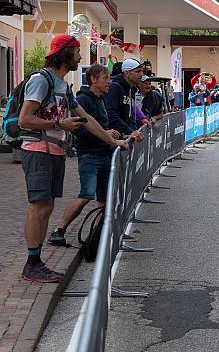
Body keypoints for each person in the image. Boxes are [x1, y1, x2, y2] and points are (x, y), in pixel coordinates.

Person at [18, 35, 128, 282]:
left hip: (54, 151)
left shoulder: (63, 86)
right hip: (37, 150)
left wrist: (112, 141)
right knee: (39, 206)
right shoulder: (40, 80)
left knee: (46, 206)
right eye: (78, 51)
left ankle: (36, 261)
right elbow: (25, 119)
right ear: (65, 53)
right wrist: (59, 123)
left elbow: (85, 118)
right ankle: (32, 263)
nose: (81, 57)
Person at [48, 64, 128, 246]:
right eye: (105, 78)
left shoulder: (101, 100)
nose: (109, 82)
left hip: (106, 155)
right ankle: (59, 230)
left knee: (104, 199)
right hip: (90, 156)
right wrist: (105, 133)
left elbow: (105, 126)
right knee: (86, 194)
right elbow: (79, 129)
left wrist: (121, 135)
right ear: (93, 79)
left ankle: (97, 238)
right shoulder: (83, 100)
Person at [104, 58, 147, 143]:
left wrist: (139, 121)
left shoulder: (132, 89)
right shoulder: (115, 87)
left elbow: (131, 112)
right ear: (127, 73)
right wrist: (129, 131)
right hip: (115, 138)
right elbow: (111, 113)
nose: (142, 75)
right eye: (138, 71)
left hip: (126, 137)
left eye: (142, 71)